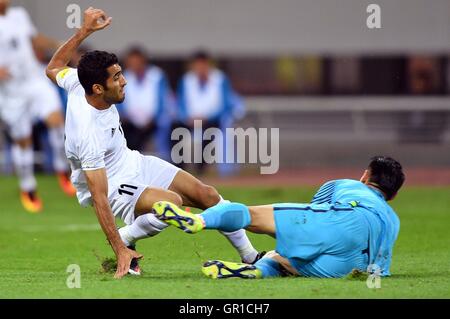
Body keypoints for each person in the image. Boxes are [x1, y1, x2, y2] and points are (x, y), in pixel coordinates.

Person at [45, 7, 263, 279]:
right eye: (116, 78)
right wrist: (116, 247)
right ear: (98, 89)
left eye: (121, 73)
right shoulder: (87, 133)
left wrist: (84, 31)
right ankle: (124, 240)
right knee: (171, 205)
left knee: (207, 194)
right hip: (112, 184)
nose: (124, 81)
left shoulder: (78, 81)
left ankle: (251, 256)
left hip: (133, 161)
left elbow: (53, 67)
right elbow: (99, 197)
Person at [152, 156, 405, 279]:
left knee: (251, 215)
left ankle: (199, 221)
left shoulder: (346, 185)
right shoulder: (394, 220)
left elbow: (316, 213)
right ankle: (257, 271)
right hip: (355, 267)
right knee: (281, 258)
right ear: (391, 197)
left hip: (346, 220)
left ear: (364, 176)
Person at [0, 0, 75, 213]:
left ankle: (62, 168)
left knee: (57, 121)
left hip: (34, 81)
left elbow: (33, 39)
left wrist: (57, 44)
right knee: (23, 140)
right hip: (11, 92)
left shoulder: (19, 15)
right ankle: (28, 186)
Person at [177, 50, 239, 175]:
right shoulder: (186, 81)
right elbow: (181, 104)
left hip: (212, 120)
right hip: (190, 121)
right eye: (198, 65)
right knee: (175, 129)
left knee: (210, 132)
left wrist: (207, 117)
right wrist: (188, 118)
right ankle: (179, 169)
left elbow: (225, 105)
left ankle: (202, 168)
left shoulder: (220, 79)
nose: (201, 68)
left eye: (203, 64)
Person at [118, 46, 173, 160]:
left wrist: (153, 117)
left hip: (154, 119)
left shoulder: (157, 76)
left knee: (165, 123)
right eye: (131, 62)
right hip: (130, 120)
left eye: (137, 61)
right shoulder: (123, 77)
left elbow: (163, 100)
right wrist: (127, 116)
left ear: (143, 61)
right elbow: (119, 101)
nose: (135, 65)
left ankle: (165, 160)